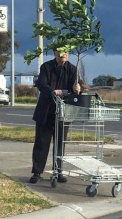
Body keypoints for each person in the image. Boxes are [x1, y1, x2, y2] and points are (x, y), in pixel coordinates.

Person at [29, 49, 81, 183]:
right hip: (46, 111)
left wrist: (77, 90)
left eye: (65, 52)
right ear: (54, 53)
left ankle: (58, 171)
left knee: (60, 143)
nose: (62, 54)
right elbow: (41, 84)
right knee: (41, 142)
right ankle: (37, 172)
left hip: (64, 112)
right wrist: (52, 91)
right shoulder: (46, 67)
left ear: (68, 53)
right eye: (59, 52)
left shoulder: (73, 69)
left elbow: (74, 89)